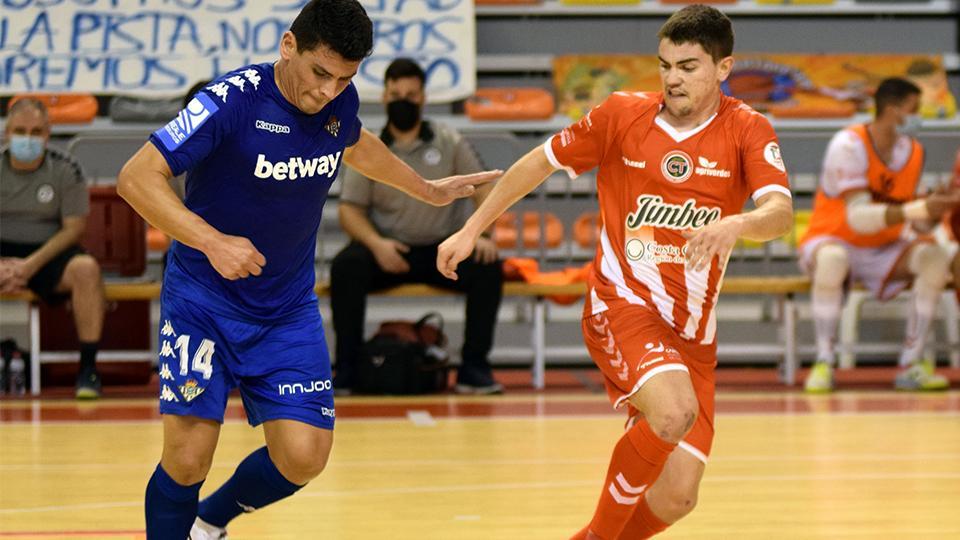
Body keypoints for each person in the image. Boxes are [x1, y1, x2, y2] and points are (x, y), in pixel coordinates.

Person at [116, 1, 498, 538]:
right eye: (320, 73)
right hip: (204, 302)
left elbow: (357, 143)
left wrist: (427, 190)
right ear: (288, 46)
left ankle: (211, 521)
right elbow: (135, 178)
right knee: (187, 460)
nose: (328, 91)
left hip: (285, 310)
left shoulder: (339, 103)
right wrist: (212, 241)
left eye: (345, 79)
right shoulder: (230, 101)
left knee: (305, 456)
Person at [438, 5, 793, 538]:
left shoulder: (747, 128)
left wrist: (737, 223)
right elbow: (538, 162)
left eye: (689, 66)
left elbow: (780, 214)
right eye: (665, 64)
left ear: (724, 68)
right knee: (672, 415)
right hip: (623, 306)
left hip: (692, 333)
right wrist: (472, 230)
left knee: (677, 497)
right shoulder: (621, 115)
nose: (673, 77)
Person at [331, 58, 504, 395]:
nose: (403, 101)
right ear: (383, 97)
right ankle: (348, 371)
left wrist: (478, 234)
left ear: (423, 98)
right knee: (345, 268)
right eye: (395, 94)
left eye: (411, 95)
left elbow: (485, 186)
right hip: (388, 250)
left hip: (442, 250)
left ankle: (474, 369)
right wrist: (376, 245)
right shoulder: (370, 149)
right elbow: (350, 210)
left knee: (488, 267)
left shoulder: (448, 140)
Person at [799, 78, 960, 393]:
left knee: (934, 258)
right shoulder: (848, 145)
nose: (919, 117)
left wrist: (934, 210)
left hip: (884, 245)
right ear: (892, 109)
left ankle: (911, 363)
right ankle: (823, 361)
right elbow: (859, 218)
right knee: (833, 260)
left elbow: (911, 218)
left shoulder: (912, 151)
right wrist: (919, 208)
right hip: (834, 237)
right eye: (915, 109)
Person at [0, 98, 106, 399]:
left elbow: (74, 228)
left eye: (36, 131)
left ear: (47, 134)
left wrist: (28, 266)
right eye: (20, 130)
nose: (28, 138)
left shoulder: (66, 169)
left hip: (48, 251)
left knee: (86, 270)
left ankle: (88, 370)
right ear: (7, 132)